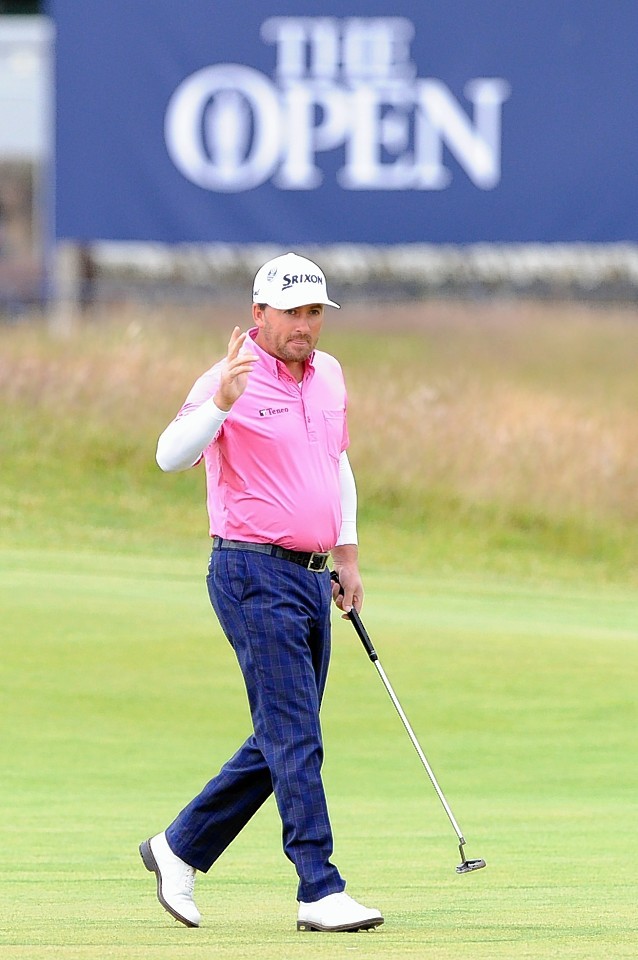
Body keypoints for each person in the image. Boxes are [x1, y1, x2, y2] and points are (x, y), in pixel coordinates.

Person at [139, 252, 383, 933]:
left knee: (285, 733)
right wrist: (221, 402)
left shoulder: (329, 374)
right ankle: (319, 887)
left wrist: (347, 553)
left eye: (314, 313)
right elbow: (169, 455)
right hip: (250, 571)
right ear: (259, 313)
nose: (305, 326)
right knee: (295, 733)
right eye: (292, 312)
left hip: (310, 575)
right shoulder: (231, 376)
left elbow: (334, 464)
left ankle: (178, 848)